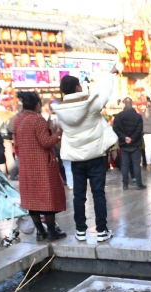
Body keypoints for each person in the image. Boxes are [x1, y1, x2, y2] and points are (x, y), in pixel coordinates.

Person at [51, 72, 118, 242]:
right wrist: (111, 74)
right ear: (77, 87)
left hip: (76, 158)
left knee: (79, 195)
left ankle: (80, 230)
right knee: (98, 194)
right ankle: (101, 231)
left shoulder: (60, 111)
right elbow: (105, 92)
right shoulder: (91, 105)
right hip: (96, 155)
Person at [13, 91, 66, 242]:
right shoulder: (38, 120)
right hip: (42, 166)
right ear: (37, 105)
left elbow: (16, 144)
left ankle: (40, 232)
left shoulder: (19, 120)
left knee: (32, 200)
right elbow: (46, 142)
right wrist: (58, 134)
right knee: (47, 199)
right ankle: (51, 232)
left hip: (26, 166)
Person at [112, 97, 146, 190]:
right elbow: (139, 129)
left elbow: (115, 129)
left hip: (124, 144)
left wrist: (124, 137)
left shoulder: (118, 116)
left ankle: (125, 184)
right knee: (136, 164)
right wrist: (132, 138)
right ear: (132, 103)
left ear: (124, 104)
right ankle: (139, 184)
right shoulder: (138, 116)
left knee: (125, 165)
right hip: (134, 144)